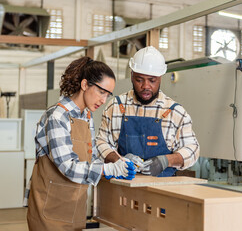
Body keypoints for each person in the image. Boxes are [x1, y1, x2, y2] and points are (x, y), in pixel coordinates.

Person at [25, 57, 135, 231]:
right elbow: (67, 166)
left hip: (75, 206)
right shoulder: (57, 116)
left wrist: (118, 160)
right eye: (101, 92)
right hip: (50, 210)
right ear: (85, 85)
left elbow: (88, 157)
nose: (103, 100)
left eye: (108, 95)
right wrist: (107, 170)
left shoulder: (87, 116)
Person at [96, 46, 200, 177]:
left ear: (160, 78)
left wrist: (165, 161)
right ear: (132, 76)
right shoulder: (116, 107)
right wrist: (119, 160)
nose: (145, 86)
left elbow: (193, 150)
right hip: (123, 187)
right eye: (139, 80)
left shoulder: (175, 112)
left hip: (162, 189)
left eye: (152, 80)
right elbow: (101, 143)